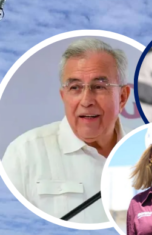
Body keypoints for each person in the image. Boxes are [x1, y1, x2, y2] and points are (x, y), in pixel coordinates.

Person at [2, 38, 131, 223]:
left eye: (99, 87)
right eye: (75, 87)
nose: (86, 101)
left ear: (123, 97)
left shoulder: (149, 151)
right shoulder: (23, 154)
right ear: (63, 96)